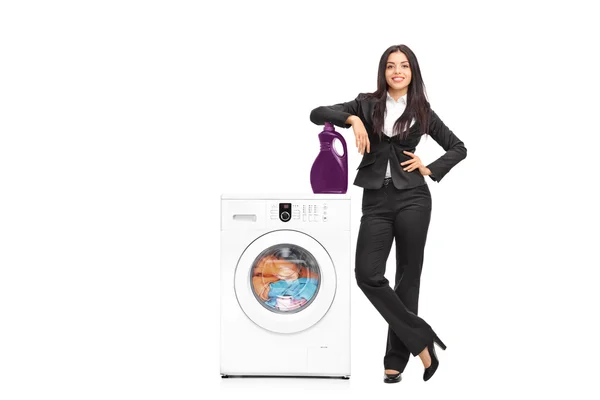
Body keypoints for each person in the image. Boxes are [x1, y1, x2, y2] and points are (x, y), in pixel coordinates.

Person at [309, 44, 467, 383]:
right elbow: (317, 112)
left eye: (404, 66)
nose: (398, 71)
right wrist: (351, 119)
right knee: (367, 273)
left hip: (413, 198)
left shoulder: (423, 111)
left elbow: (458, 147)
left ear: (412, 72)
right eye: (391, 66)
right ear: (383, 72)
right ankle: (422, 338)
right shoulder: (366, 104)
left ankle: (396, 357)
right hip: (376, 201)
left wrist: (430, 168)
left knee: (407, 277)